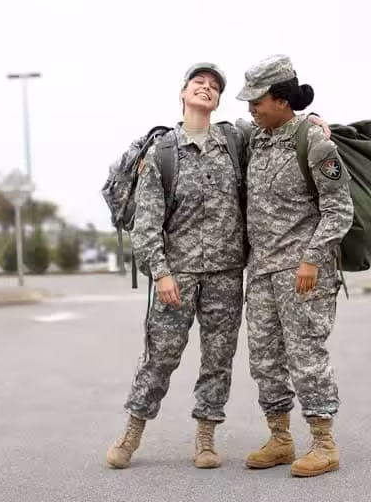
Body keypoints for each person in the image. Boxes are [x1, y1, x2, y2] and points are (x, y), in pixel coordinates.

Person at [106, 62, 248, 470]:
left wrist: (315, 120)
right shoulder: (163, 152)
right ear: (183, 94)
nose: (207, 89)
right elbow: (146, 223)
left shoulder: (234, 142)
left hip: (225, 273)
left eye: (214, 87)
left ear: (218, 100)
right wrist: (162, 273)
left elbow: (276, 126)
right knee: (160, 357)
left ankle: (205, 439)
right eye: (199, 83)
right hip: (177, 275)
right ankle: (131, 434)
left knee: (218, 359)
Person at [237, 55, 353, 477]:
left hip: (303, 272)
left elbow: (339, 209)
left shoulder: (316, 142)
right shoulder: (258, 139)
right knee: (264, 358)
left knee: (306, 355)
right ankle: (280, 438)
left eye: (258, 99)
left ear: (283, 99)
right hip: (263, 270)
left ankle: (324, 444)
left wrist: (312, 258)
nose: (251, 107)